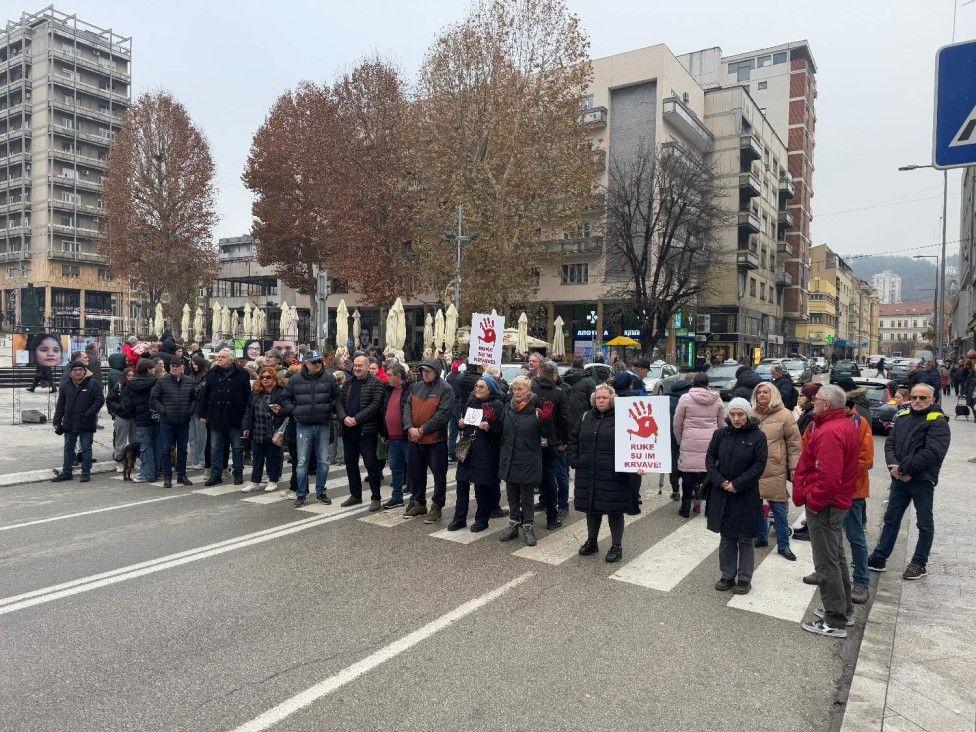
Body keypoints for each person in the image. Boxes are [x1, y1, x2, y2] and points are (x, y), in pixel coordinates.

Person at [792, 384, 859, 638]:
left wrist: (813, 498)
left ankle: (834, 620)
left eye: (817, 399)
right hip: (835, 502)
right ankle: (845, 610)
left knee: (826, 562)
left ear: (827, 404)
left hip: (826, 505)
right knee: (837, 556)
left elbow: (828, 478)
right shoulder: (840, 425)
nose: (813, 402)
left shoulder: (831, 431)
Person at [867, 383, 950, 580]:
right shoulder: (903, 416)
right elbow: (890, 444)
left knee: (924, 523)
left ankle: (919, 563)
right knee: (891, 519)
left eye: (923, 398)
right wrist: (893, 467)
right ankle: (880, 557)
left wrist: (904, 469)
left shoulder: (938, 421)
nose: (918, 401)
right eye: (914, 397)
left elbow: (932, 453)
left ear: (933, 400)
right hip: (899, 479)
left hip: (921, 479)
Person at [570, 383, 640, 563]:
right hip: (588, 471)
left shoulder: (622, 417)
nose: (601, 401)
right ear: (594, 400)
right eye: (598, 398)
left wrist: (638, 463)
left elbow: (635, 441)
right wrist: (574, 458)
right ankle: (592, 541)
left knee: (614, 510)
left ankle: (616, 546)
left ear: (612, 400)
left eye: (605, 398)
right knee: (591, 508)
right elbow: (573, 438)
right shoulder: (586, 416)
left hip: (614, 474)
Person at [705, 397, 768, 595]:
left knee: (745, 538)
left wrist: (737, 484)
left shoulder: (758, 436)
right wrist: (722, 481)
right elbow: (709, 460)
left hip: (745, 494)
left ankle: (744, 578)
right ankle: (727, 575)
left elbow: (759, 465)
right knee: (727, 536)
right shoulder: (720, 434)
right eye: (732, 414)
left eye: (740, 414)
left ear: (747, 415)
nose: (736, 418)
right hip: (722, 492)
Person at [279, 350, 346, 507]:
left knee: (323, 461)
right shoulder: (296, 379)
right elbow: (284, 397)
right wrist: (295, 410)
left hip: (323, 424)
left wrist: (332, 409)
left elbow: (337, 397)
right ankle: (301, 494)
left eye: (319, 361)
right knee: (302, 462)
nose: (318, 364)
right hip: (303, 425)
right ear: (306, 364)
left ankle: (321, 492)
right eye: (314, 362)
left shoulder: (329, 377)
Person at [498, 375, 554, 547]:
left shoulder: (537, 409)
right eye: (515, 389)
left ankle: (528, 526)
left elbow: (547, 434)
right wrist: (493, 421)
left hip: (528, 458)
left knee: (527, 497)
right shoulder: (509, 408)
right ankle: (514, 524)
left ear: (529, 390)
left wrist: (546, 420)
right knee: (512, 495)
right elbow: (501, 431)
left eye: (521, 389)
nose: (517, 392)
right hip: (510, 456)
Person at [751, 382, 802, 561]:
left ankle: (783, 545)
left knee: (778, 508)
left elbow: (795, 445)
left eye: (766, 392)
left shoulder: (785, 415)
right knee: (755, 505)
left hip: (775, 468)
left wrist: (794, 468)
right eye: (759, 392)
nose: (762, 395)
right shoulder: (751, 414)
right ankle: (761, 537)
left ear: (774, 394)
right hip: (754, 467)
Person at [448, 375, 504, 531]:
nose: (478, 389)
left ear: (490, 389)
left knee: (482, 487)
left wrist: (490, 426)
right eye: (476, 386)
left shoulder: (497, 405)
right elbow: (465, 421)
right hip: (468, 449)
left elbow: (501, 430)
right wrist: (461, 423)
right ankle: (459, 519)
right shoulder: (471, 401)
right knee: (461, 483)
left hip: (485, 451)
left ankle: (482, 520)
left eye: (482, 387)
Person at [402, 359, 454, 520]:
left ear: (437, 372)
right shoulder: (416, 387)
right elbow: (407, 407)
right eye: (423, 371)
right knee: (415, 472)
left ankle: (437, 506)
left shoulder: (446, 389)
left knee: (439, 475)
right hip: (415, 439)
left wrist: (422, 429)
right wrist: (410, 427)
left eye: (428, 371)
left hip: (435, 441)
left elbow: (442, 415)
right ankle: (419, 503)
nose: (424, 374)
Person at [198, 348, 252, 488]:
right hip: (216, 415)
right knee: (215, 447)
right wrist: (203, 414)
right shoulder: (212, 373)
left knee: (237, 447)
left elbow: (247, 397)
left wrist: (247, 417)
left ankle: (238, 474)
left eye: (223, 357)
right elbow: (205, 395)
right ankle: (216, 475)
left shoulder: (242, 373)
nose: (219, 359)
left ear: (231, 359)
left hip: (235, 415)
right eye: (219, 356)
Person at [673, 372, 724, 518]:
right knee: (710, 474)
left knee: (688, 474)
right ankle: (709, 508)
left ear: (693, 383)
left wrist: (680, 439)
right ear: (708, 383)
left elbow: (677, 422)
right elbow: (721, 424)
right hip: (711, 441)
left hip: (689, 440)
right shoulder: (717, 399)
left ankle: (685, 507)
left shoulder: (685, 398)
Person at [340, 355, 386, 510]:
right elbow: (339, 402)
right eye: (355, 366)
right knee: (350, 464)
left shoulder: (377, 383)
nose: (357, 369)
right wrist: (344, 417)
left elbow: (375, 405)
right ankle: (355, 495)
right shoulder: (348, 383)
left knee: (371, 465)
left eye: (360, 366)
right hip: (349, 431)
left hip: (367, 432)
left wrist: (357, 419)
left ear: (368, 367)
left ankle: (376, 497)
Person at [51, 359, 104, 482]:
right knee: (68, 448)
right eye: (76, 370)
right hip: (70, 421)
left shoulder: (93, 383)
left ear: (85, 371)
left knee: (86, 448)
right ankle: (66, 472)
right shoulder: (65, 384)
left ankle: (85, 472)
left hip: (86, 420)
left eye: (81, 370)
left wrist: (88, 413)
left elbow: (99, 400)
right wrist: (57, 421)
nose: (78, 372)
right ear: (71, 372)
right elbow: (61, 404)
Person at [531, 361, 570, 528]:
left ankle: (526, 516)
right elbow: (566, 419)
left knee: (532, 477)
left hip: (531, 440)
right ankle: (552, 518)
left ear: (539, 373)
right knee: (550, 477)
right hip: (552, 442)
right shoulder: (559, 393)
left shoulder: (531, 390)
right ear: (554, 375)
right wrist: (565, 440)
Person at [149, 357, 197, 489]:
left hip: (183, 421)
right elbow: (153, 399)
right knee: (166, 450)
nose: (175, 369)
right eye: (173, 366)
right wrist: (163, 411)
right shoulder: (162, 381)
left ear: (182, 368)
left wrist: (190, 411)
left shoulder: (189, 381)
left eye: (177, 366)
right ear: (170, 368)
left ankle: (182, 475)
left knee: (182, 450)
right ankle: (168, 477)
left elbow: (194, 399)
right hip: (167, 422)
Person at [242, 367, 287, 492]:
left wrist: (279, 411)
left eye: (268, 377)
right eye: (262, 377)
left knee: (273, 456)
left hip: (273, 428)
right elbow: (249, 410)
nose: (265, 380)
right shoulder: (256, 392)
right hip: (257, 428)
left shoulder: (281, 392)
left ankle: (273, 480)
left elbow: (287, 410)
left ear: (274, 378)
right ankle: (255, 481)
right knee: (257, 457)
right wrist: (246, 426)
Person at [380, 362, 411, 509]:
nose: (387, 378)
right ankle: (397, 497)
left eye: (390, 375)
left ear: (399, 376)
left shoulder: (410, 389)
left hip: (407, 438)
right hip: (392, 438)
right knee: (395, 469)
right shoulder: (388, 390)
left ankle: (417, 499)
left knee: (413, 469)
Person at [127, 358, 159, 483]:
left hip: (141, 418)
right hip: (156, 417)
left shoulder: (131, 384)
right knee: (157, 446)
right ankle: (155, 472)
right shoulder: (156, 382)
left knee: (145, 447)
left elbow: (129, 403)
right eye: (152, 368)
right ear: (148, 370)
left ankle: (146, 474)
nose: (154, 370)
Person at [667, 376, 692, 502]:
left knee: (673, 461)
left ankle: (675, 489)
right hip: (688, 435)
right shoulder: (689, 400)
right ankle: (691, 490)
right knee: (689, 461)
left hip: (670, 435)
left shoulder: (667, 400)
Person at [106, 365, 136, 467]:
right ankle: (119, 461)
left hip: (134, 417)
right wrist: (119, 408)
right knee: (120, 440)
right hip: (122, 416)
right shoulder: (119, 386)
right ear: (125, 376)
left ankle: (133, 461)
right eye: (129, 375)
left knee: (135, 440)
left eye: (133, 375)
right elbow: (110, 399)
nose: (131, 377)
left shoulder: (137, 386)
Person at [187, 356, 210, 470]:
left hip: (201, 411)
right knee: (192, 437)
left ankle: (202, 459)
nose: (194, 366)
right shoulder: (189, 377)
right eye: (192, 364)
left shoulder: (206, 376)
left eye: (196, 364)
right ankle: (195, 460)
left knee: (201, 438)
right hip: (191, 410)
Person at [562, 356, 597, 430]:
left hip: (565, 418)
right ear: (583, 365)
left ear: (572, 364)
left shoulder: (563, 379)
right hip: (582, 419)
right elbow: (593, 402)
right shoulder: (589, 381)